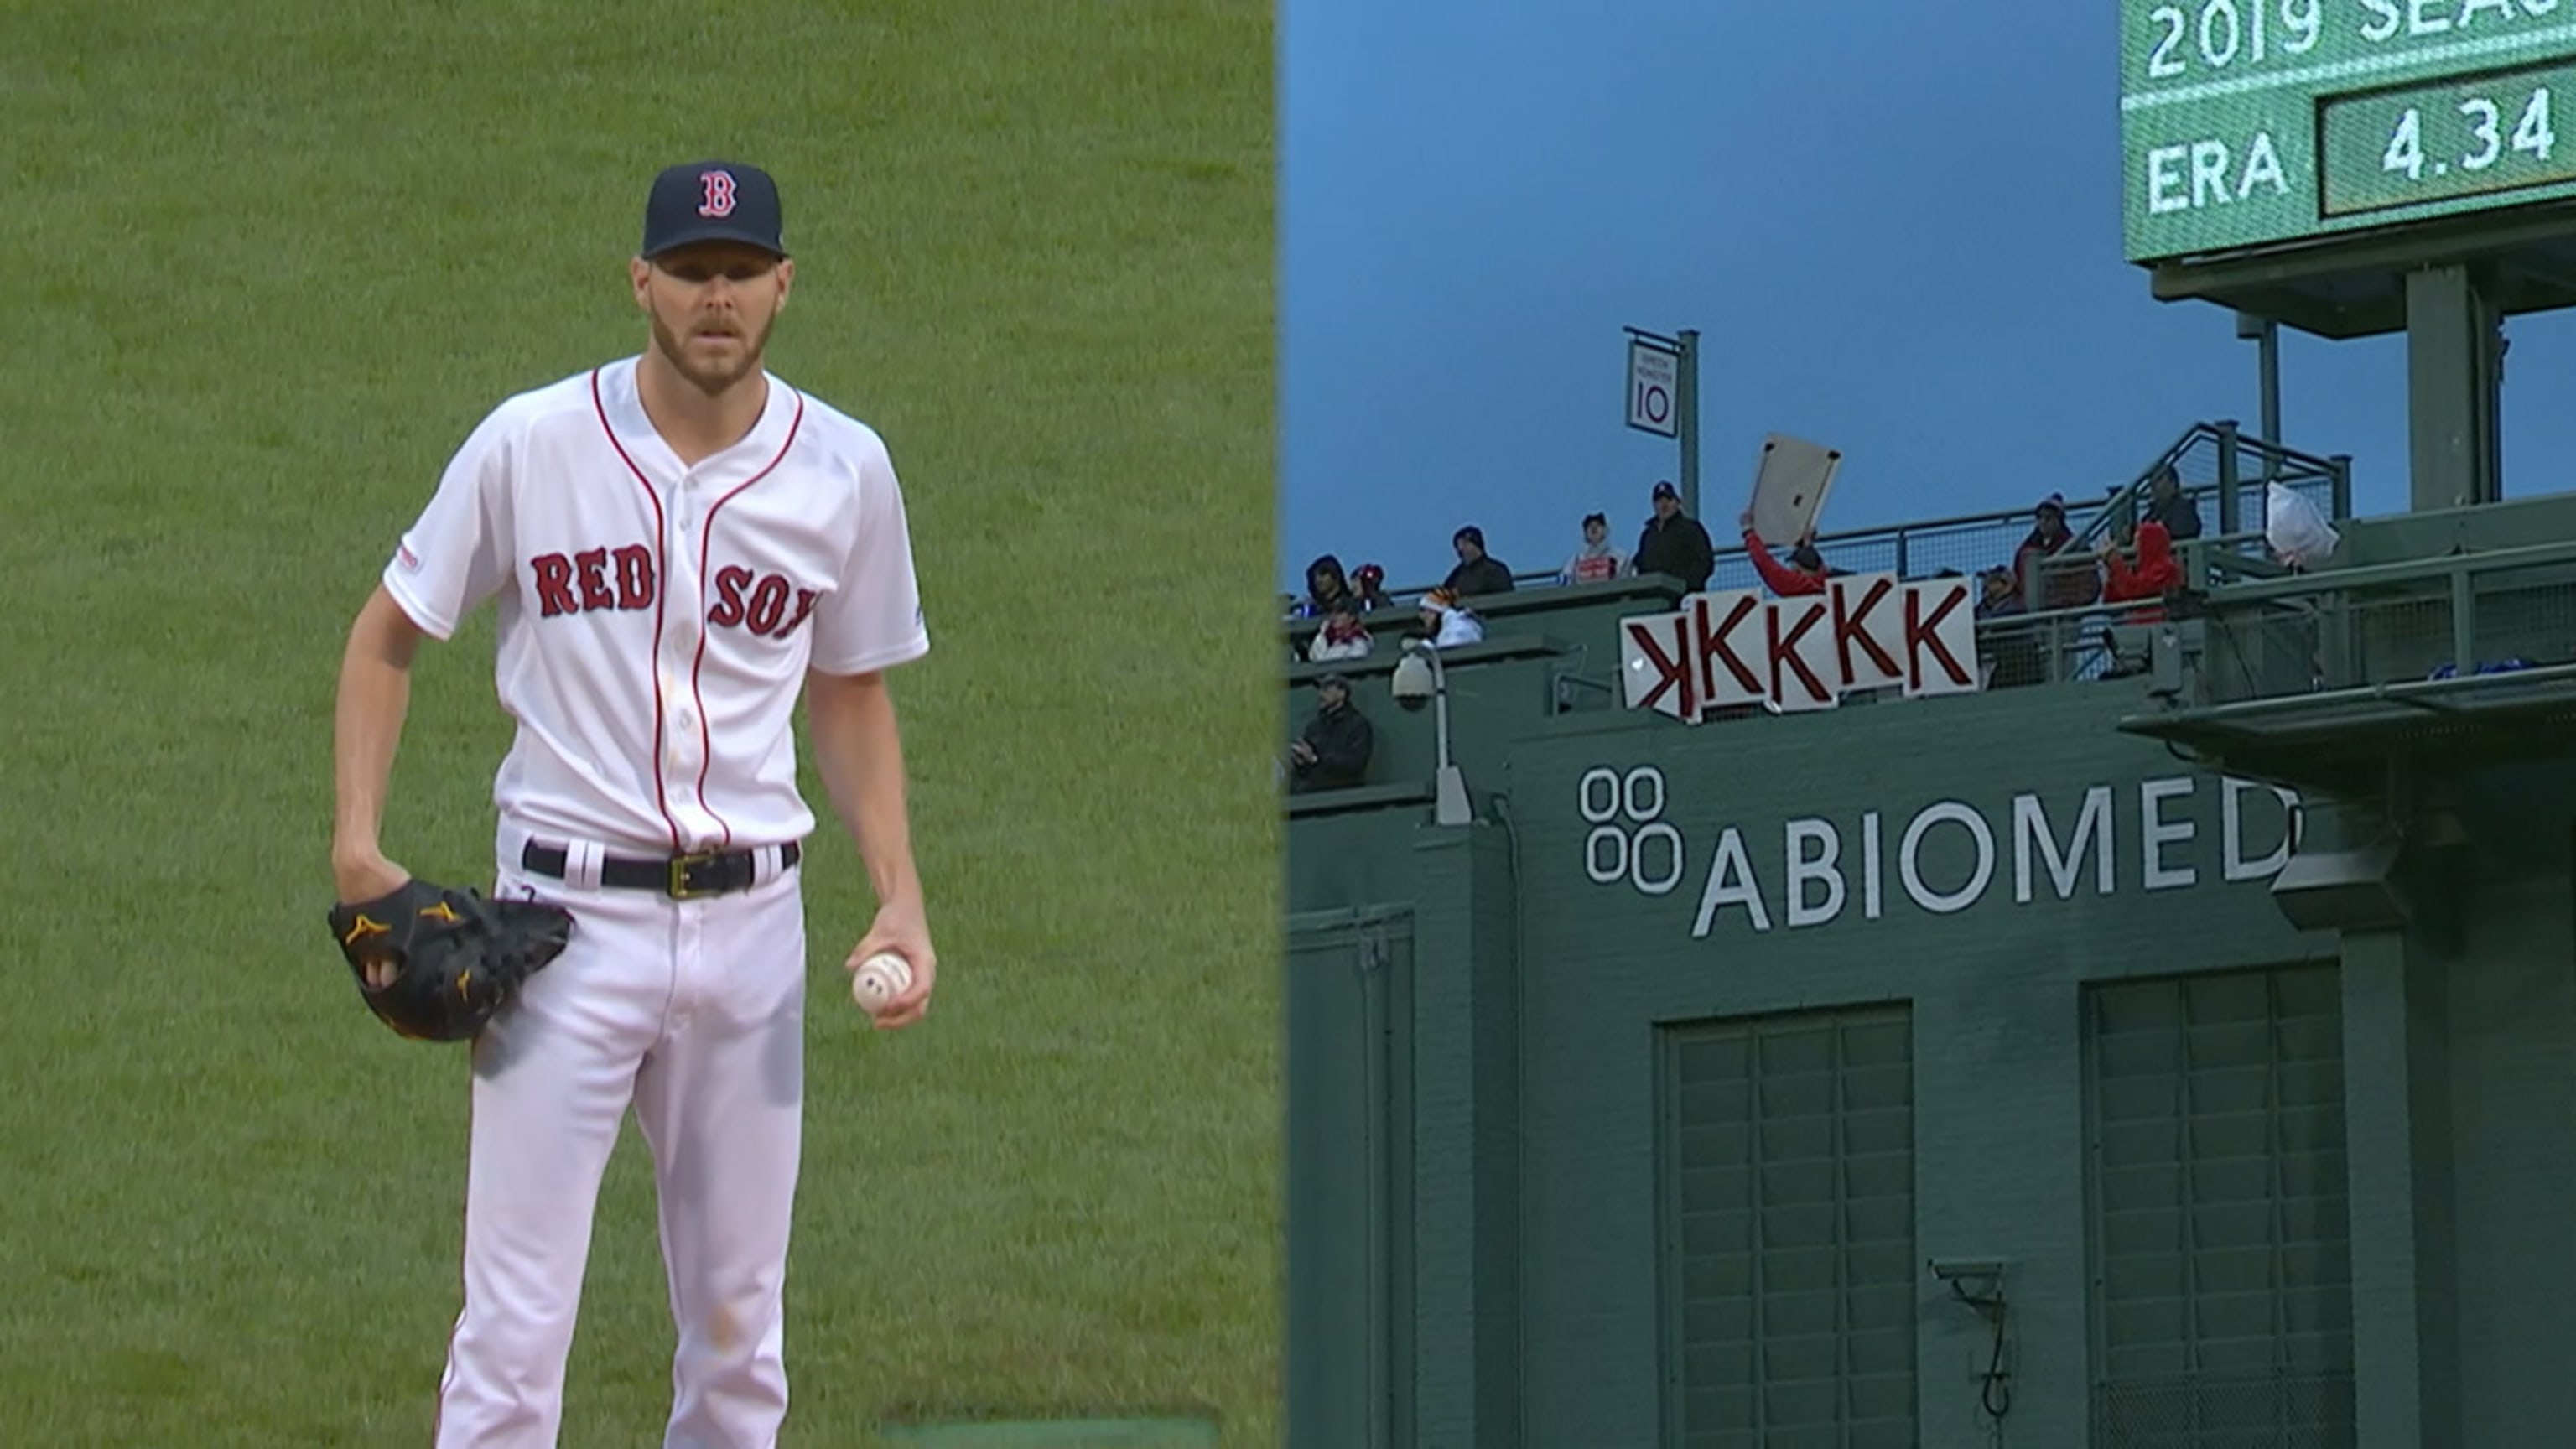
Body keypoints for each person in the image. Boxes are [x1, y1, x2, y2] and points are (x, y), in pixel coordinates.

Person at [327, 159, 936, 1449]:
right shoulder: (532, 445)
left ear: (783, 285)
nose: (717, 300)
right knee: (511, 1334)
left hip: (757, 937)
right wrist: (357, 848)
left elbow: (852, 691)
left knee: (737, 1337)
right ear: (641, 281)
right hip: (559, 932)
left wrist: (900, 891)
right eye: (691, 271)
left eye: (740, 273)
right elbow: (388, 635)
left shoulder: (846, 470)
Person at [1288, 673, 1374, 792]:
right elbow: (1307, 771)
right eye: (1320, 689)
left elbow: (1355, 763)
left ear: (1342, 693)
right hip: (1315, 793)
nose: (1321, 694)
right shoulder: (1314, 728)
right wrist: (1301, 763)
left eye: (1326, 689)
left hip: (1347, 794)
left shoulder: (1358, 725)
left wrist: (1316, 759)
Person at [1633, 480, 1714, 591]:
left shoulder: (1691, 529)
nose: (1664, 505)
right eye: (1659, 501)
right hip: (1656, 599)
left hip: (1685, 599)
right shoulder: (1648, 535)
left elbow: (1705, 562)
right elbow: (1640, 566)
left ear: (1677, 502)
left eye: (1669, 499)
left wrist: (1686, 586)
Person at [1738, 509, 1828, 596]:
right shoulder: (1831, 581)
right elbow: (1810, 557)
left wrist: (1748, 531)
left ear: (1798, 570)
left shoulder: (1797, 586)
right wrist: (1807, 542)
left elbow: (1765, 562)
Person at [1442, 525, 1515, 597]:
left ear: (1476, 544)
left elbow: (1505, 597)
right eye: (1457, 546)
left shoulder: (1495, 570)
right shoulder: (1456, 575)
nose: (1460, 549)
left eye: (1465, 544)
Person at [1559, 512, 1627, 584]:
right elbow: (1564, 583)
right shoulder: (1574, 562)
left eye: (1598, 525)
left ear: (1605, 530)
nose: (1594, 528)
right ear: (1585, 533)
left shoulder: (1619, 557)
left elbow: (1626, 579)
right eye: (1589, 526)